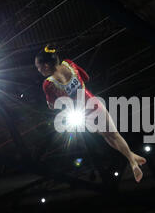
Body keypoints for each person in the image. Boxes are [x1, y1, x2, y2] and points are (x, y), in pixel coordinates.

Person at [35, 45, 146, 182]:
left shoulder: (48, 84)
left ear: (46, 66)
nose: (39, 71)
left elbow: (52, 106)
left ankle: (132, 160)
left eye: (38, 68)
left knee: (108, 136)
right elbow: (86, 78)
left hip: (83, 115)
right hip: (93, 103)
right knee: (113, 134)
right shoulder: (69, 64)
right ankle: (132, 158)